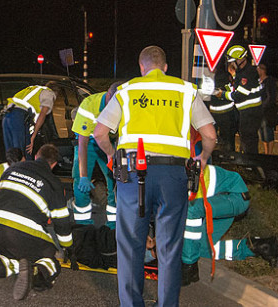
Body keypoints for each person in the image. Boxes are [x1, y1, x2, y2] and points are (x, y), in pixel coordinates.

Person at [91, 46, 217, 307]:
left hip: (132, 175)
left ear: (141, 67)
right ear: (166, 67)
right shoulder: (184, 90)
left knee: (130, 247)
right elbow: (210, 135)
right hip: (173, 176)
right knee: (169, 249)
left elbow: (99, 132)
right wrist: (202, 159)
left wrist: (113, 154)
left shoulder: (127, 91)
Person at [0, 144, 73, 301]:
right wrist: (67, 246)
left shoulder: (12, 169)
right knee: (49, 256)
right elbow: (61, 222)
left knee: (16, 255)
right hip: (22, 233)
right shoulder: (54, 183)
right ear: (53, 164)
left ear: (36, 156)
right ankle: (36, 273)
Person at [181, 163, 278, 284]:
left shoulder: (173, 176)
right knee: (197, 248)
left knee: (191, 211)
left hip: (235, 196)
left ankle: (189, 265)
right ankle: (259, 247)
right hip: (219, 199)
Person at [70, 84, 118, 229]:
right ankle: (84, 225)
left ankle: (113, 226)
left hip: (109, 142)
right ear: (108, 97)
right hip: (89, 143)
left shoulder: (124, 103)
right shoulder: (90, 105)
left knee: (115, 181)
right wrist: (84, 175)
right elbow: (82, 144)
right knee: (80, 183)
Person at [217, 45, 264, 154]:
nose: (231, 64)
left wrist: (222, 94)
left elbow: (238, 95)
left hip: (251, 113)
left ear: (240, 60)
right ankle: (249, 160)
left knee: (248, 140)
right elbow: (235, 90)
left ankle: (251, 162)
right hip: (246, 112)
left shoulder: (248, 73)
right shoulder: (241, 73)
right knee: (246, 139)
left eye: (232, 61)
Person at [0, 83, 56, 156]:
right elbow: (42, 114)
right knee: (22, 154)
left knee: (12, 155)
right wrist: (33, 137)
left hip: (7, 116)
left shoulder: (32, 89)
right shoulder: (49, 93)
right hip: (18, 117)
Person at [208, 66, 238, 152]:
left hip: (218, 113)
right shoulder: (226, 76)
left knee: (215, 138)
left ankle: (219, 155)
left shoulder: (211, 77)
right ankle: (229, 155)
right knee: (227, 138)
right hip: (226, 113)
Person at [257, 63, 278, 154]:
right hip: (259, 111)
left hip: (267, 111)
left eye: (258, 69)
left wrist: (263, 107)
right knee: (262, 133)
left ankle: (269, 153)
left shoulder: (269, 81)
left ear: (262, 70)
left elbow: (271, 97)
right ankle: (266, 152)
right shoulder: (258, 81)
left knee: (268, 132)